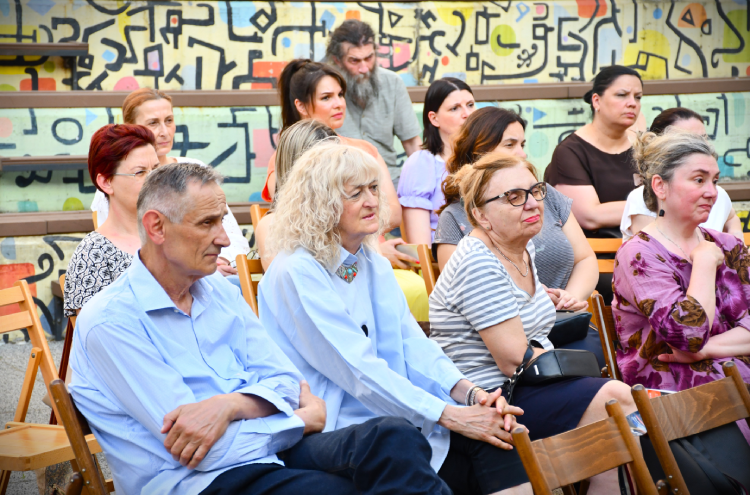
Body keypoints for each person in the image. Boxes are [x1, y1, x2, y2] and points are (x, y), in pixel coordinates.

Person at [69, 162, 452, 495]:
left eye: (222, 221)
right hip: (198, 482)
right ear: (156, 227)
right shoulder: (111, 321)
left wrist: (232, 405)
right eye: (207, 223)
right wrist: (298, 420)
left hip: (271, 453)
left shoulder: (216, 290)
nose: (224, 239)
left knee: (394, 436)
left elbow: (288, 381)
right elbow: (204, 452)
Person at [259, 142, 533, 495]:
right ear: (321, 203)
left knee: (500, 433)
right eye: (356, 193)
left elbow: (413, 344)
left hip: (393, 417)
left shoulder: (371, 262)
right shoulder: (297, 270)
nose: (372, 200)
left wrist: (471, 395)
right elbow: (358, 371)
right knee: (402, 436)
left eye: (374, 188)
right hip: (330, 428)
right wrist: (449, 415)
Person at [429, 152, 637, 494]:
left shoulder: (521, 249)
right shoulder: (477, 261)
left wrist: (543, 300)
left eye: (535, 190)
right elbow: (514, 359)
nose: (532, 203)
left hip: (530, 384)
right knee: (616, 400)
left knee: (616, 432)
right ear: (480, 214)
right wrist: (585, 369)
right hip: (494, 398)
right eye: (513, 196)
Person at [612, 129, 750, 441]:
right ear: (660, 186)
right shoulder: (639, 255)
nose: (712, 192)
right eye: (699, 180)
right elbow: (689, 336)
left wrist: (706, 350)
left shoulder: (729, 245)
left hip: (735, 380)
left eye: (715, 181)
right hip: (680, 397)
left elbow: (695, 348)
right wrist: (703, 263)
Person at [262, 61, 427, 319]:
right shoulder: (287, 155)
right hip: (327, 262)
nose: (339, 103)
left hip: (372, 253)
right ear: (301, 106)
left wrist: (369, 250)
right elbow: (299, 220)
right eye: (327, 97)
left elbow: (392, 212)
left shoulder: (365, 150)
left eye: (340, 95)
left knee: (416, 292)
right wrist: (364, 252)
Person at [435, 107, 598, 313]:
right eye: (510, 145)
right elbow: (463, 292)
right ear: (479, 153)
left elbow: (585, 259)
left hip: (566, 319)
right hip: (500, 323)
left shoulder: (543, 194)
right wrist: (533, 302)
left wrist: (569, 300)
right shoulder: (454, 216)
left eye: (522, 144)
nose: (522, 154)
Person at [91, 87, 248, 276]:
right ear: (132, 128)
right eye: (153, 123)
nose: (164, 132)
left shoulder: (194, 169)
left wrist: (217, 264)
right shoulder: (116, 185)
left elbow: (233, 237)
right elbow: (116, 248)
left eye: (169, 120)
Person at [64, 124, 158, 317]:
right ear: (106, 182)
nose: (155, 180)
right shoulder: (93, 254)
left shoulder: (172, 233)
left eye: (156, 170)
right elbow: (95, 331)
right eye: (140, 172)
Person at [545, 65, 644, 235]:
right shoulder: (570, 151)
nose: (632, 103)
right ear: (596, 101)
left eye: (638, 97)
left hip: (647, 244)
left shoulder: (645, 147)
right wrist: (655, 206)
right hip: (596, 248)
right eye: (622, 95)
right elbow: (590, 216)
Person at [621, 107, 743, 240]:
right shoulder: (643, 197)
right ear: (661, 147)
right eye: (686, 141)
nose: (699, 147)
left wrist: (736, 237)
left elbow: (731, 217)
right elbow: (657, 248)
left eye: (703, 138)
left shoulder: (717, 194)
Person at [325, 19, 422, 185]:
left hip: (388, 180)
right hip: (341, 183)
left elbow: (412, 143)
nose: (364, 68)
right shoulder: (324, 89)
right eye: (354, 61)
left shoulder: (392, 83)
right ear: (337, 60)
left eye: (369, 58)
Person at [398, 78, 476, 244]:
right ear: (434, 118)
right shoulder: (421, 163)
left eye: (470, 105)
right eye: (454, 108)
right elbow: (421, 247)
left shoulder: (485, 157)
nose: (467, 114)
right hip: (442, 257)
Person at [256, 119, 339, 271]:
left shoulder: (346, 215)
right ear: (297, 169)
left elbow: (367, 272)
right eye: (327, 163)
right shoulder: (271, 225)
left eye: (339, 161)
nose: (339, 170)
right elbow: (287, 279)